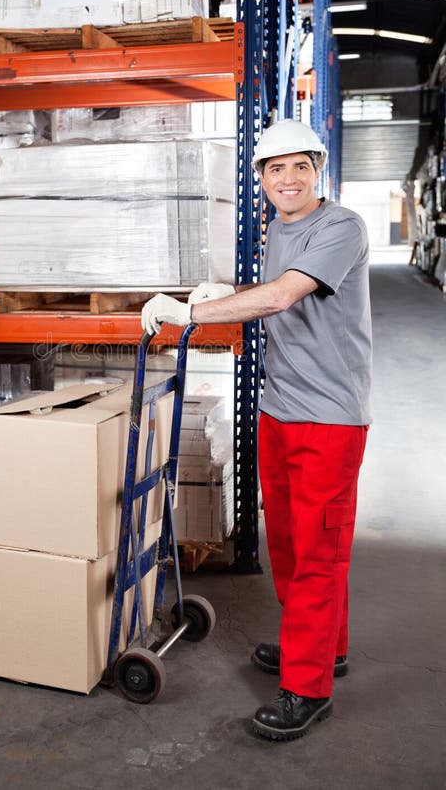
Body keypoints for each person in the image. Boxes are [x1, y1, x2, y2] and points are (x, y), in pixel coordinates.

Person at [141, 119, 372, 742]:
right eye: (275, 169)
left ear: (317, 169)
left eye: (299, 166)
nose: (288, 179)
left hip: (329, 416)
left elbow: (282, 299)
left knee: (319, 552)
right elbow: (267, 291)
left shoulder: (341, 226)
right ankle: (328, 650)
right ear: (261, 179)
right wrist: (231, 289)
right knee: (294, 546)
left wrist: (192, 312)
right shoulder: (280, 228)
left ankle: (307, 688)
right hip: (280, 409)